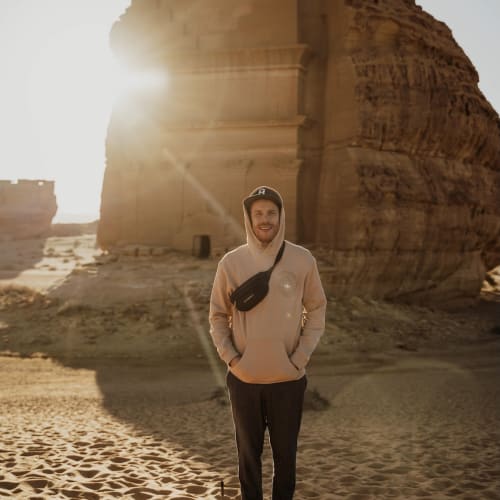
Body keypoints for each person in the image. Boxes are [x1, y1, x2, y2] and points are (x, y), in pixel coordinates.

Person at [209, 186, 327, 500]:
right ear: (249, 218)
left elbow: (317, 309)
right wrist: (232, 359)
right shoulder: (231, 263)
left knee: (286, 461)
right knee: (248, 462)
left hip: (288, 379)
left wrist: (299, 358)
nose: (265, 219)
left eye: (271, 213)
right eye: (258, 213)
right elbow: (218, 315)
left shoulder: (302, 259)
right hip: (244, 380)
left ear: (280, 216)